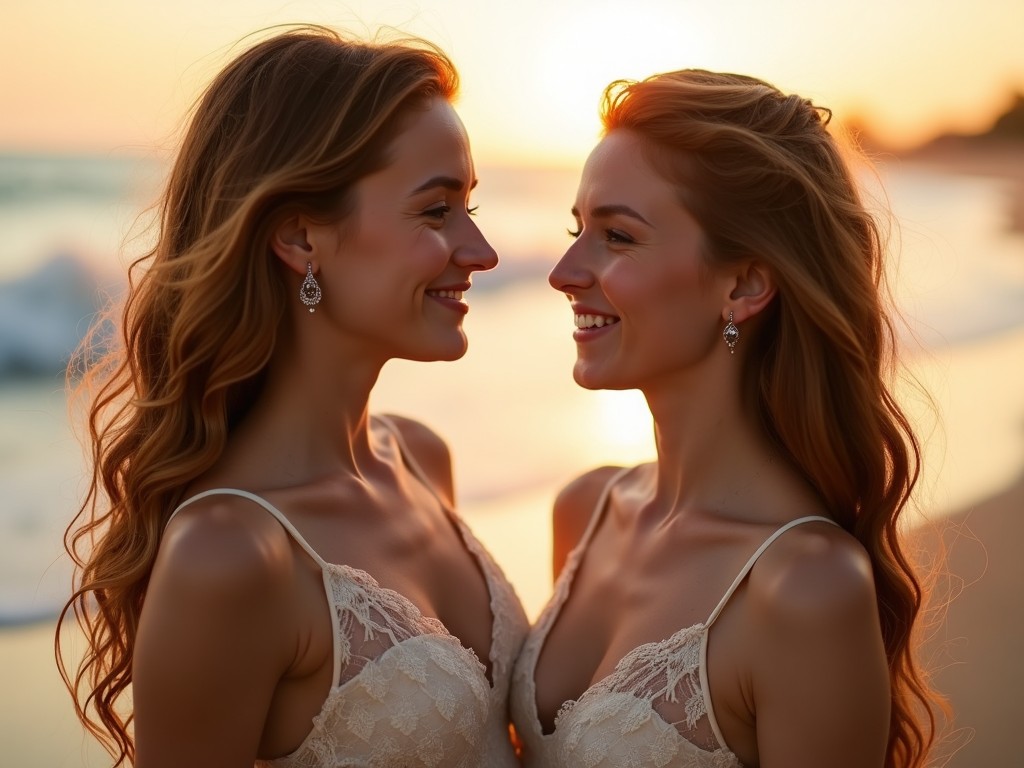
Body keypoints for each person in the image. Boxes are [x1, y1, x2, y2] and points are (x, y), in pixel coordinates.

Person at [56, 25, 528, 768]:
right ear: (300, 238)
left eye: (469, 206)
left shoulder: (420, 459)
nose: (481, 250)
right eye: (437, 211)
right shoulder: (230, 556)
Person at [510, 70, 941, 767]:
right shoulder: (588, 510)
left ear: (742, 284)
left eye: (616, 236)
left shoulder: (806, 588)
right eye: (576, 228)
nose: (563, 270)